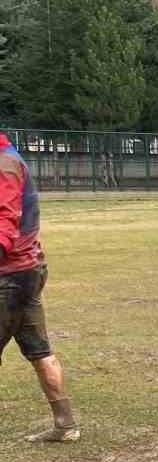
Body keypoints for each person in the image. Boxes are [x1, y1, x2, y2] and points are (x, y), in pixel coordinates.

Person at [0, 133, 80, 443]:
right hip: (27, 272)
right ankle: (65, 424)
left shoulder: (5, 166)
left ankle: (66, 424)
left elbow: (4, 227)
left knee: (40, 351)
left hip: (11, 275)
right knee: (39, 351)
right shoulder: (9, 159)